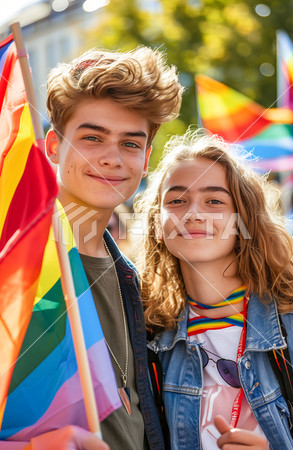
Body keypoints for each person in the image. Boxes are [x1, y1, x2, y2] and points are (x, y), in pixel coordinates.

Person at [2, 46, 184, 449]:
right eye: (92, 138)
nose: (112, 158)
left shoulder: (133, 280)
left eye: (131, 144)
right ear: (52, 146)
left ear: (146, 157)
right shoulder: (14, 268)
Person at [135, 129, 293, 449]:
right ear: (157, 225)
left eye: (214, 200)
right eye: (177, 200)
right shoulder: (147, 335)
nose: (194, 213)